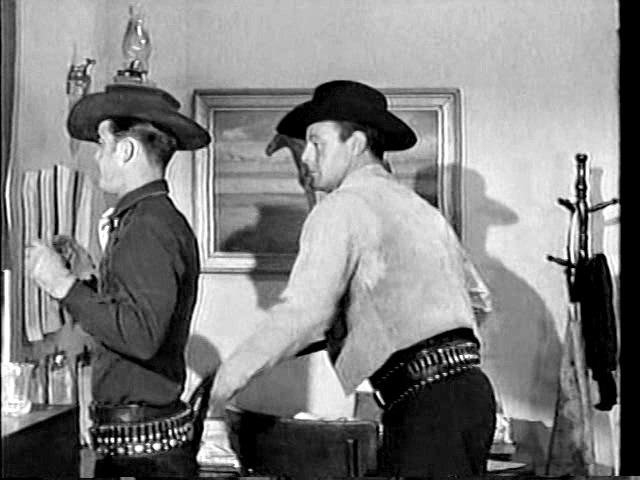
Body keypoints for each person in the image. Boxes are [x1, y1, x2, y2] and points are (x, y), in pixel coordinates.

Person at [209, 80, 497, 478]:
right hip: (470, 396)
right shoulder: (421, 210)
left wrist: (226, 381)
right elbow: (478, 302)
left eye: (317, 143)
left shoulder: (341, 208)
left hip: (427, 408)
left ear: (356, 143)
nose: (307, 155)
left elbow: (304, 312)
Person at [25, 83, 211, 477]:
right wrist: (87, 280)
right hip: (139, 445)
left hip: (144, 458)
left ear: (125, 150)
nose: (97, 157)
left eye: (102, 144)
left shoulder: (147, 226)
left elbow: (140, 336)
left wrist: (62, 285)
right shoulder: (149, 219)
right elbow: (133, 317)